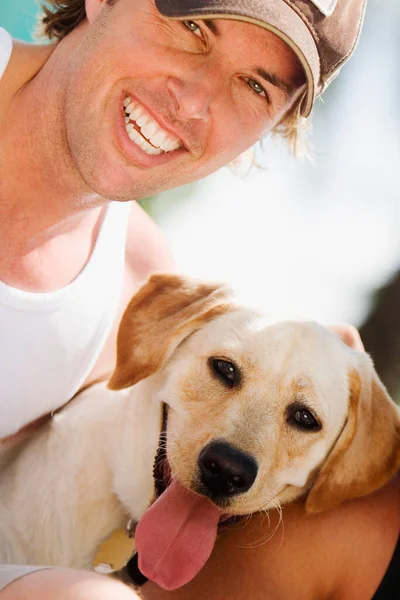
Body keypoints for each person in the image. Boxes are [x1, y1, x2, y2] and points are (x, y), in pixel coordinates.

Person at [2, 0, 398, 599]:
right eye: (192, 29)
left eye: (253, 86)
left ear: (272, 130)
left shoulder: (133, 297)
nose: (192, 102)